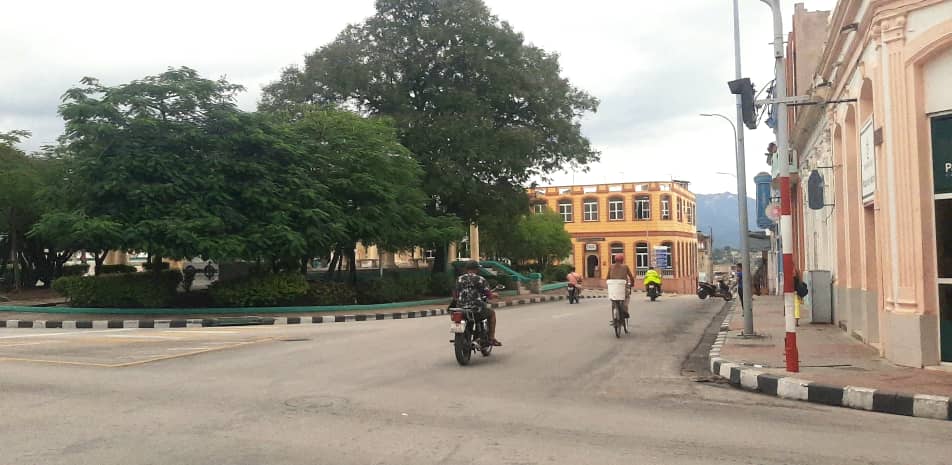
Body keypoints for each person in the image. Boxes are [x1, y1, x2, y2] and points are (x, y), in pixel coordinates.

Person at [454, 261, 501, 346]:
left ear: (466, 269)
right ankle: (491, 338)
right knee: (492, 313)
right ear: (476, 269)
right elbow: (488, 294)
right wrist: (494, 295)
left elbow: (456, 294)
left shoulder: (459, 279)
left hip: (461, 309)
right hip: (476, 309)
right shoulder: (480, 279)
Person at [607, 253, 635, 318]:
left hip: (613, 288)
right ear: (622, 260)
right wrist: (632, 284)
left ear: (615, 260)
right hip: (622, 287)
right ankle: (624, 309)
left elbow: (607, 277)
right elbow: (631, 277)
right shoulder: (625, 266)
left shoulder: (611, 266)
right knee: (626, 297)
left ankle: (614, 315)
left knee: (613, 298)